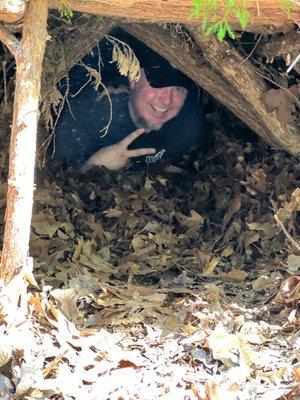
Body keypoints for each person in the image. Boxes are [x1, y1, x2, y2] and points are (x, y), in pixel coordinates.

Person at [52, 41, 206, 173]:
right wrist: (94, 167)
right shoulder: (88, 116)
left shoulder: (189, 121)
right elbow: (56, 181)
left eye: (178, 89)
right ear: (133, 79)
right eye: (158, 85)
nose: (167, 101)